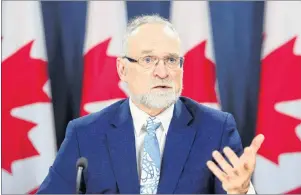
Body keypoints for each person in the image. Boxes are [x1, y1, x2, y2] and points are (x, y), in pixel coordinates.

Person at [37, 15, 264, 194]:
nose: (163, 72)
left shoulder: (216, 130)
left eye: (172, 60)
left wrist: (242, 192)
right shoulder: (85, 134)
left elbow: (234, 187)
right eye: (148, 60)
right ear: (122, 69)